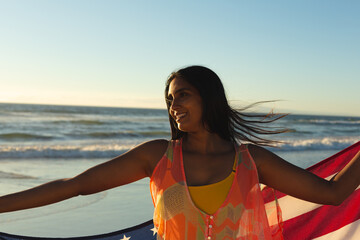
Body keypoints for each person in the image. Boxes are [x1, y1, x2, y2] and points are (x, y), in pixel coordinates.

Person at [0, 66, 359, 240]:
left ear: (209, 97)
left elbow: (333, 194)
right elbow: (75, 185)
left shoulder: (251, 161)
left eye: (183, 95)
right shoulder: (157, 156)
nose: (174, 106)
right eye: (170, 99)